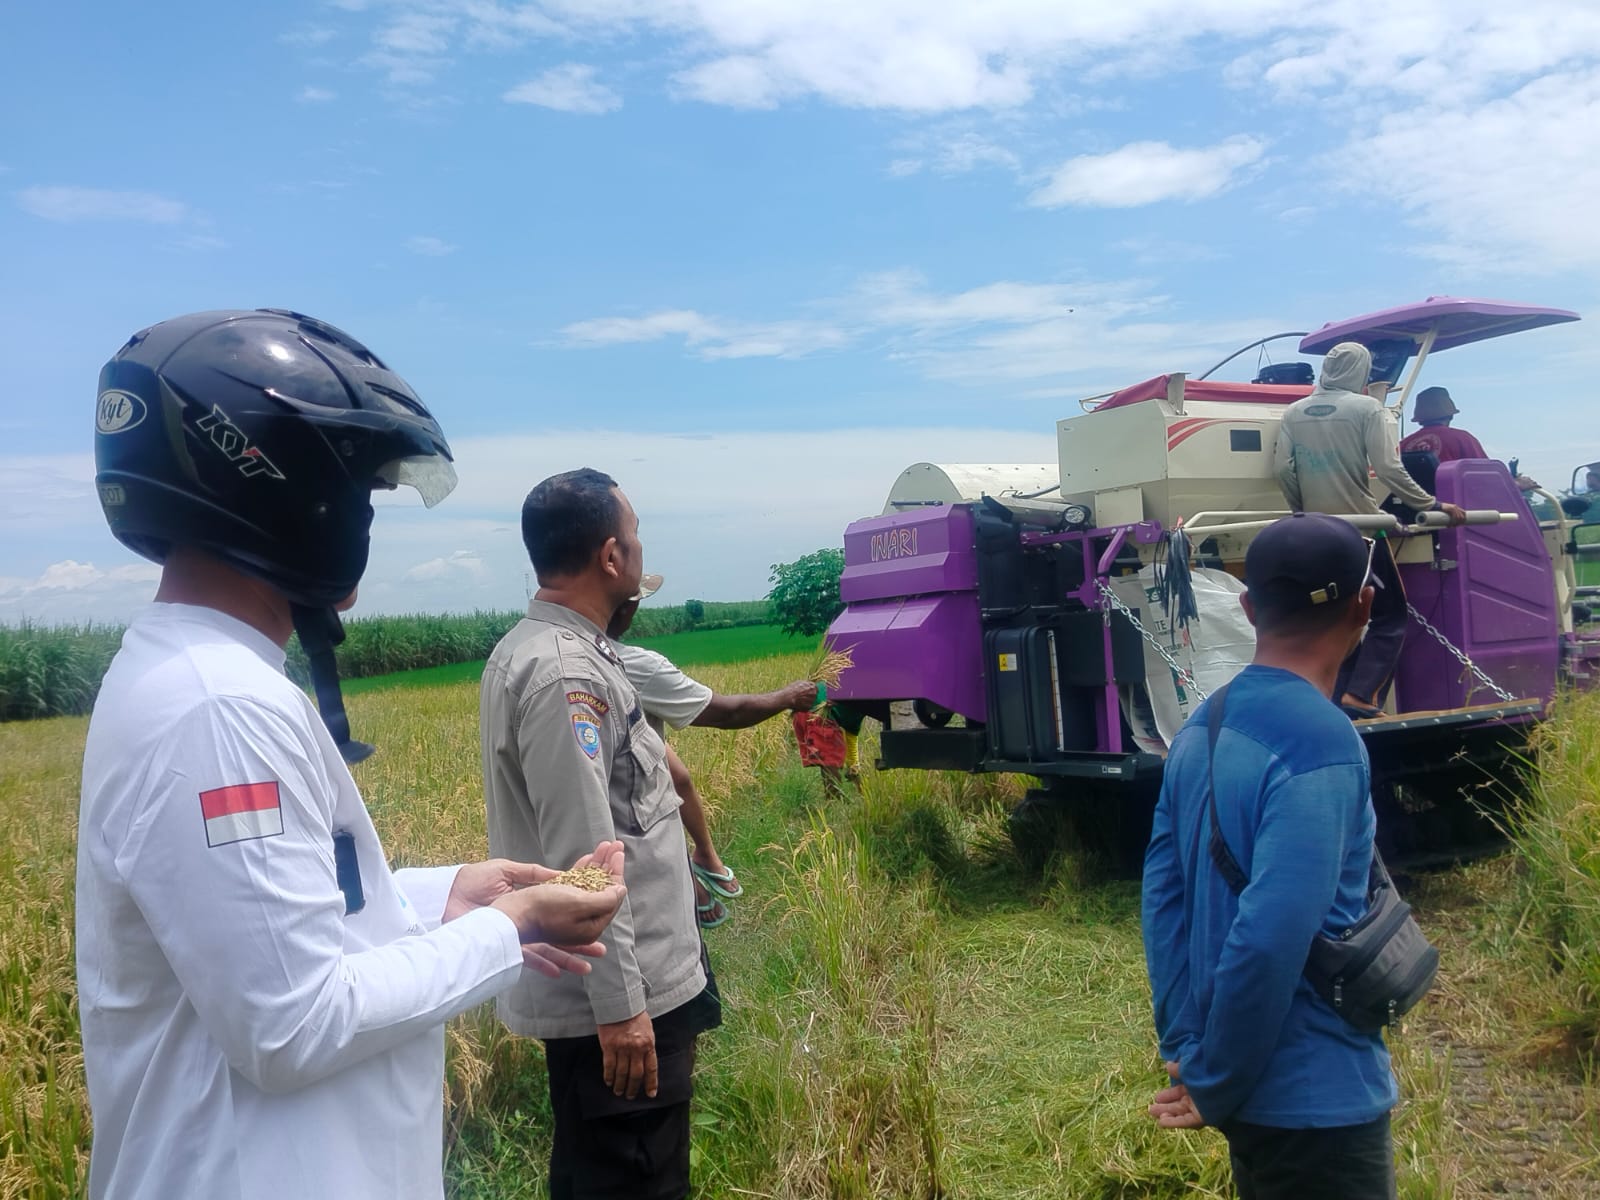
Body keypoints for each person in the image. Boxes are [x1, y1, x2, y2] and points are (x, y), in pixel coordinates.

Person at [77, 309, 628, 1200]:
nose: (363, 521)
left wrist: (444, 895)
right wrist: (511, 926)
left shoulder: (197, 676)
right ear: (284, 491)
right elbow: (291, 1023)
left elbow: (272, 920)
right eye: (361, 494)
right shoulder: (220, 707)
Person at [1142, 512, 1399, 1200]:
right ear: (1364, 605)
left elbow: (1163, 898)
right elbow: (1269, 935)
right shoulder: (1323, 741)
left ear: (1249, 608)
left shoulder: (1200, 728)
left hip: (1244, 1092)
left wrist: (1190, 1049)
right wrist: (1216, 1078)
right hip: (1317, 1099)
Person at [481, 469, 717, 1200]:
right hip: (619, 1002)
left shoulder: (561, 651)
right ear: (611, 556)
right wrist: (622, 1011)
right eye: (635, 534)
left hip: (631, 985)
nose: (641, 548)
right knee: (634, 1179)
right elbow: (583, 858)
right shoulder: (565, 675)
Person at [607, 574, 817, 927]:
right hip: (631, 805)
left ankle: (704, 857)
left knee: (677, 776)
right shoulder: (636, 665)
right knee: (660, 801)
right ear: (628, 608)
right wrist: (788, 697)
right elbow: (726, 713)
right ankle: (694, 878)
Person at [1273, 341, 1467, 718]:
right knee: (1390, 615)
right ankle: (1361, 695)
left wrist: (1302, 511)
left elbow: (1283, 469)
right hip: (1362, 529)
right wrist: (1431, 505)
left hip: (1315, 530)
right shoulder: (1367, 408)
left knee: (1339, 618)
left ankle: (1336, 700)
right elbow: (1390, 469)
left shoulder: (1294, 412)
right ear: (1361, 371)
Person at [1397, 386, 1488, 463]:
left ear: (1419, 419)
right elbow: (1485, 471)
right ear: (1450, 415)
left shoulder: (1402, 445)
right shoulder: (1463, 438)